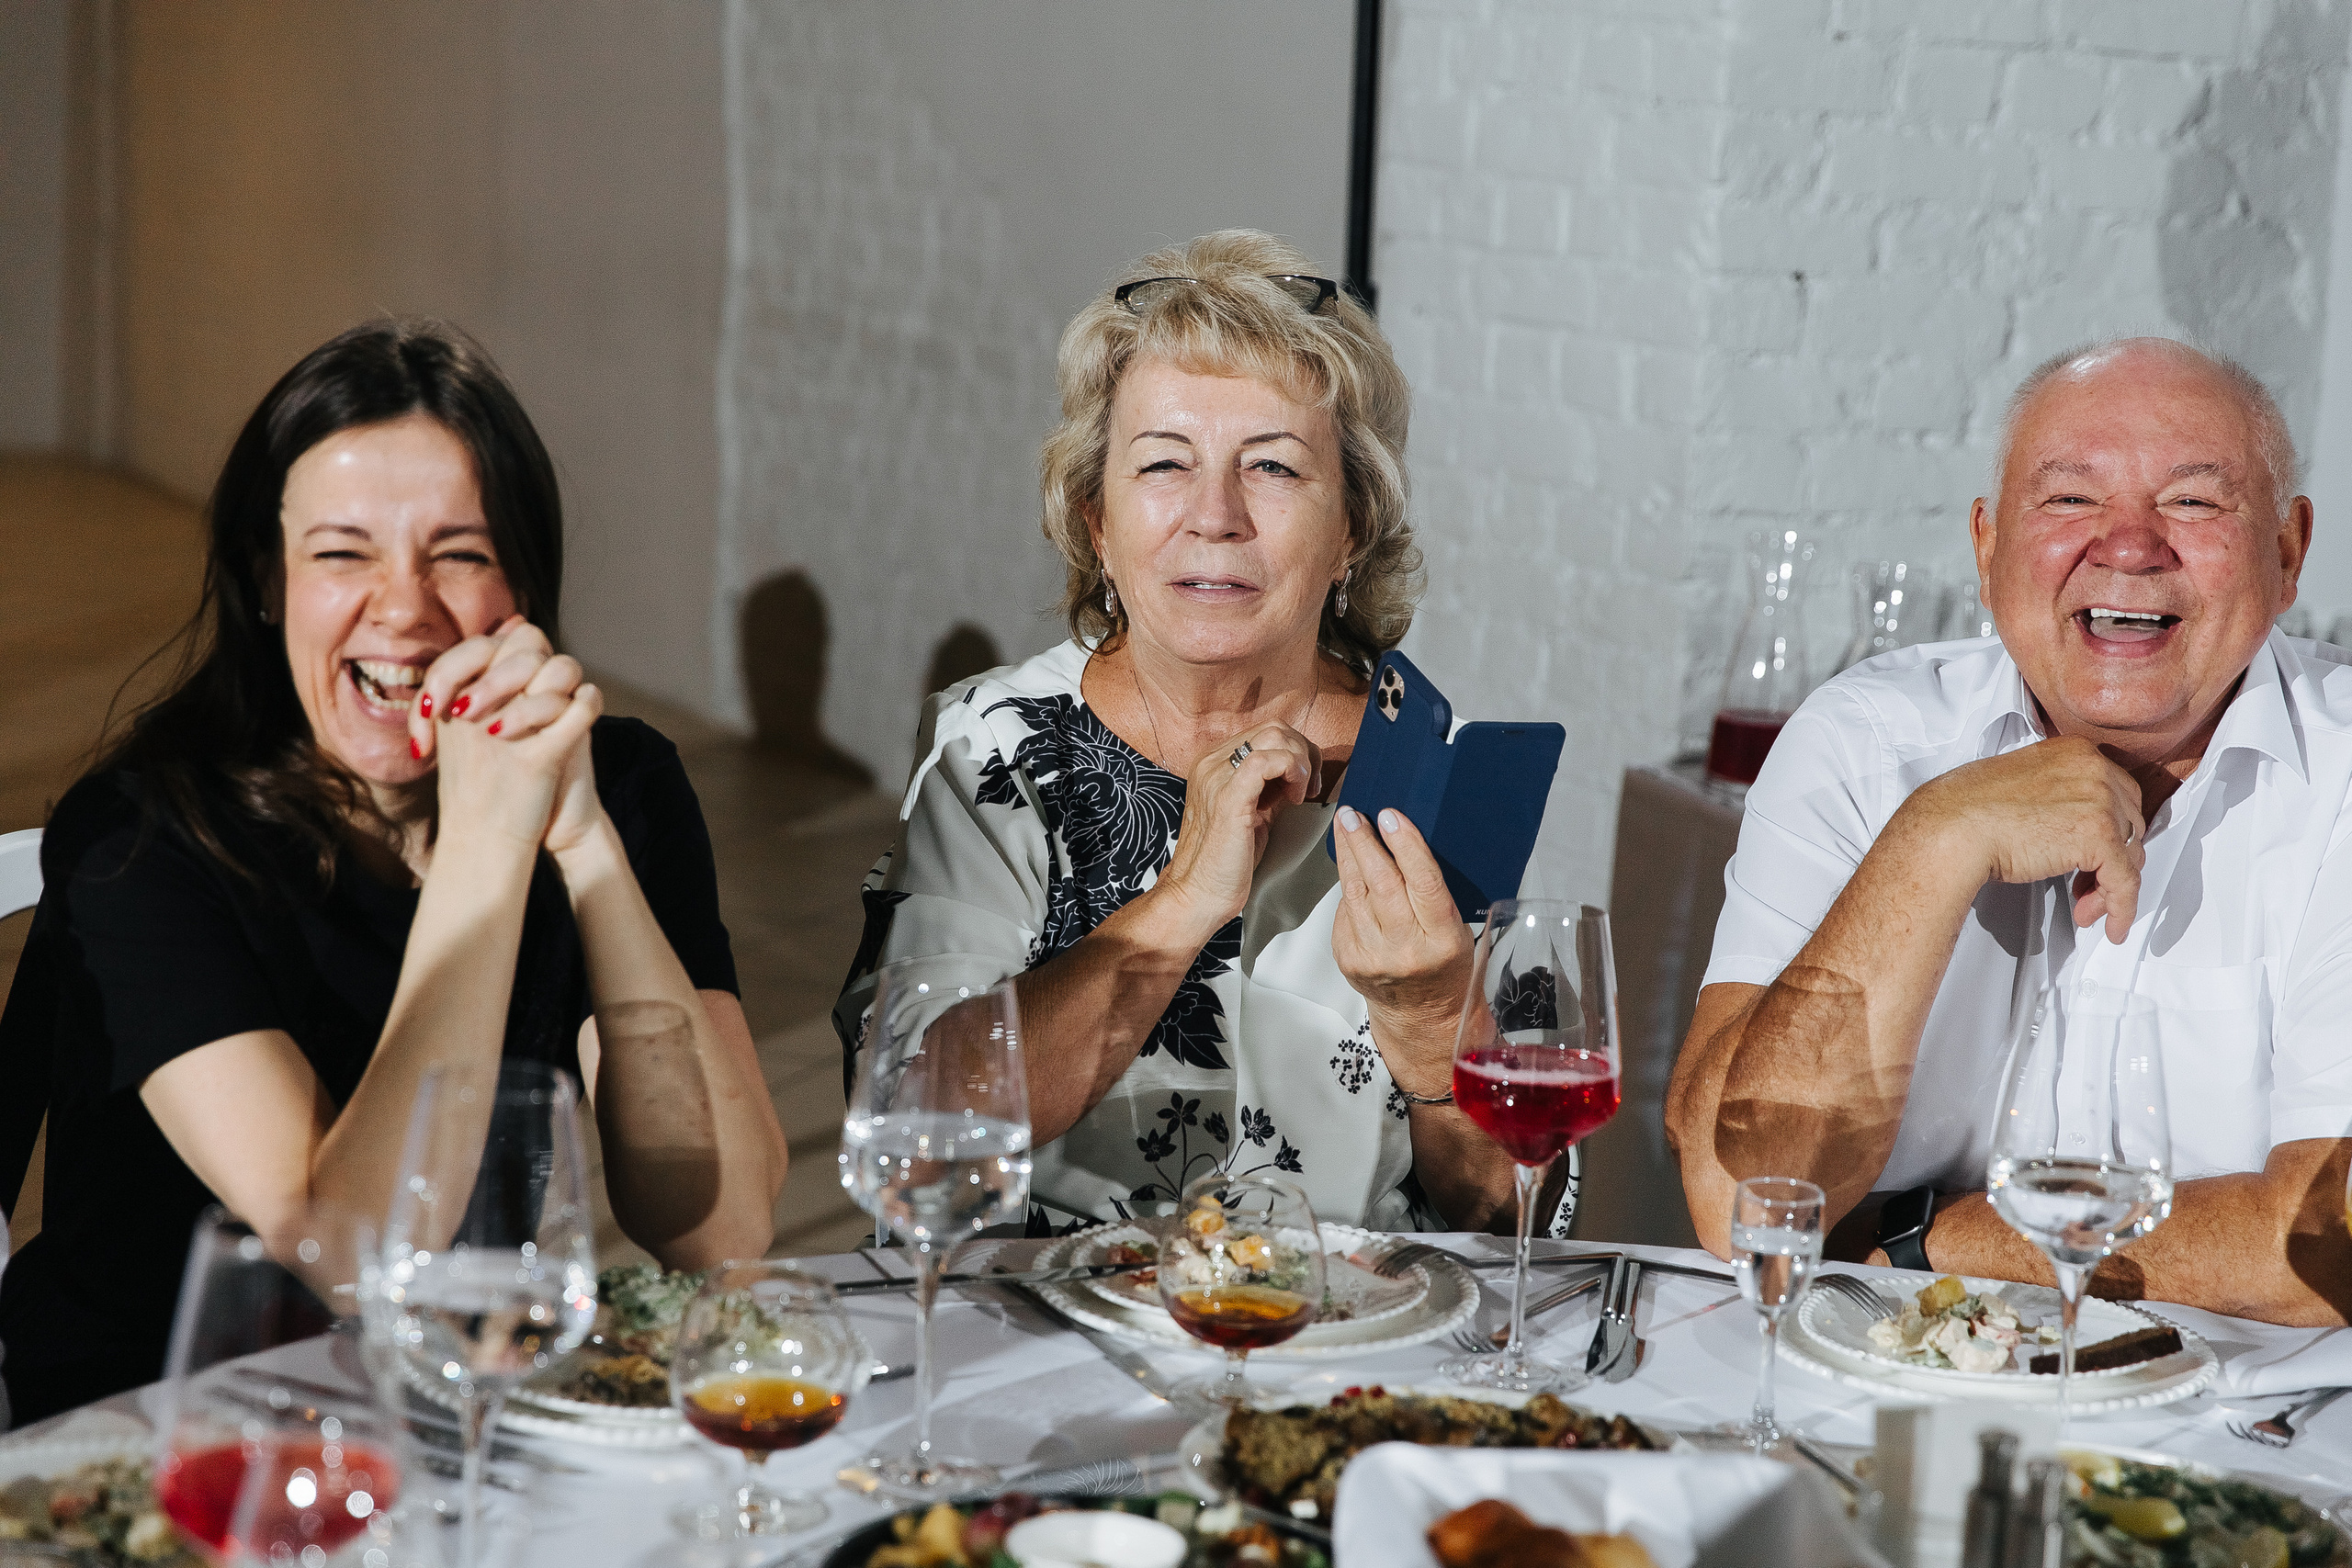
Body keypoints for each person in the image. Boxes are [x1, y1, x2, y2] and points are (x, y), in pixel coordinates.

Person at [0, 321, 788, 1425]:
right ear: (267, 580)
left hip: (467, 1409)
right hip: (157, 1439)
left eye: (459, 553)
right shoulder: (140, 839)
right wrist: (486, 847)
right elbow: (351, 1262)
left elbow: (723, 1231)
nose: (405, 607)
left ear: (522, 586)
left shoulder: (621, 784)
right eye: (342, 554)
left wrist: (583, 840)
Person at [834, 231, 1523, 1235]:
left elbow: (1512, 1219)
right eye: (1164, 462)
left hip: (1341, 1318)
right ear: (1098, 525)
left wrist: (1428, 1021)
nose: (1215, 515)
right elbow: (914, 1124)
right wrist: (1185, 898)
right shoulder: (995, 751)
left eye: (1273, 467)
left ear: (1350, 530)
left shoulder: (1431, 774)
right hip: (1048, 1311)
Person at [1667, 338, 2352, 1326]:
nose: (2128, 546)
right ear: (1986, 548)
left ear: (2287, 551)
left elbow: (2328, 1240)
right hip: (1872, 1385)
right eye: (2070, 498)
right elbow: (1738, 1200)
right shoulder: (1863, 744)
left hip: (2247, 1410)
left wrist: (1923, 1238)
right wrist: (1937, 838)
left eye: (2193, 501)